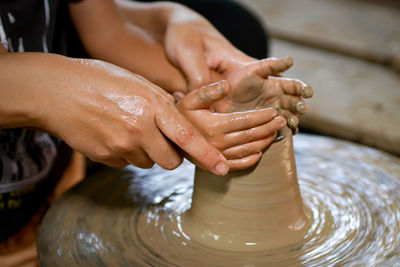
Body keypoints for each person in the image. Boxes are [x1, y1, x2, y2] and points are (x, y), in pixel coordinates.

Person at [0, 0, 312, 265]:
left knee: (239, 29)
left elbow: (109, 31)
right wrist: (62, 94)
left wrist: (217, 88)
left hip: (42, 180)